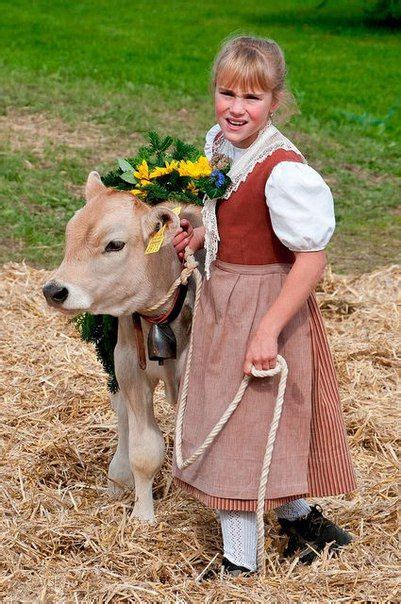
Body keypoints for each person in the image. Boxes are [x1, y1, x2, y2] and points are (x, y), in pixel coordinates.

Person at [172, 35, 356, 576]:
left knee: (246, 423)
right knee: (246, 418)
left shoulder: (283, 169)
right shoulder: (223, 146)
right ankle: (303, 524)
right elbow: (233, 214)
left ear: (276, 102)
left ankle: (241, 562)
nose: (235, 108)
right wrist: (204, 236)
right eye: (226, 93)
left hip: (265, 301)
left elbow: (310, 259)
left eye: (252, 98)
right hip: (226, 294)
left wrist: (269, 329)